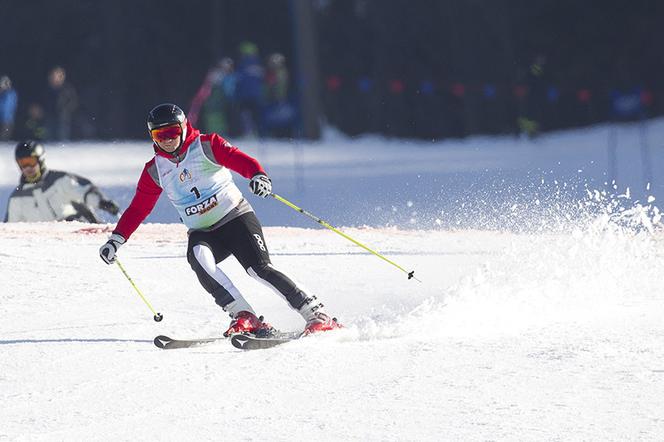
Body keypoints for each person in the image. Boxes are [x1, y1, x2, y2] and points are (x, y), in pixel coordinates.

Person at [98, 103, 340, 336]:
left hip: (235, 217)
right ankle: (244, 316)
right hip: (202, 232)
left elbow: (239, 159)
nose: (168, 140)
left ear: (183, 128)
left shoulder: (206, 145)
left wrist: (258, 175)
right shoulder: (155, 170)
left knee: (258, 269)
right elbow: (138, 209)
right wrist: (116, 240)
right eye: (160, 135)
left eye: (172, 132)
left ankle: (316, 314)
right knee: (199, 257)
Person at [4, 140, 120, 223]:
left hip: (77, 231)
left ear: (40, 160)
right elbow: (11, 228)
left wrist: (102, 202)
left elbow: (83, 191)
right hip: (46, 244)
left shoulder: (60, 180)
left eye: (31, 162)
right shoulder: (17, 198)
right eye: (23, 163)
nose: (28, 167)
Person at [43, 66, 78, 141]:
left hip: (63, 119)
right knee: (48, 140)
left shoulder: (68, 89)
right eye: (54, 75)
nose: (56, 78)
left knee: (62, 140)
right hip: (48, 118)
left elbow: (73, 102)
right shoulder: (46, 89)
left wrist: (65, 110)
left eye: (59, 75)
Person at [0, 75, 18, 140]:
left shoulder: (11, 94)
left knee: (4, 138)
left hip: (7, 121)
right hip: (3, 120)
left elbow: (8, 108)